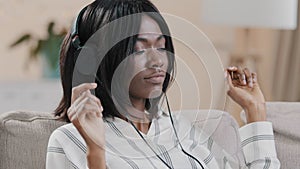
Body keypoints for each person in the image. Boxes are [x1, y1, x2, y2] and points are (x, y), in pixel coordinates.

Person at [46, 0, 280, 168]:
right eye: (140, 48)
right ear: (94, 59)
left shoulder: (181, 130)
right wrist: (96, 152)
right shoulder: (70, 140)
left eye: (161, 46)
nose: (158, 60)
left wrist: (255, 111)